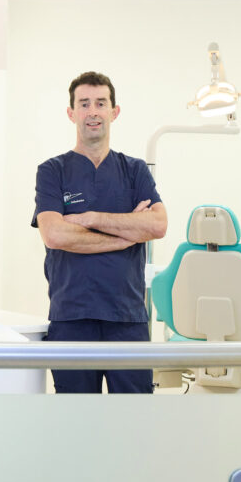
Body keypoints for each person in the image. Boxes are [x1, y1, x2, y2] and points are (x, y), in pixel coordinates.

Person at [31, 71, 167, 393]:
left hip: (128, 317)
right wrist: (128, 233)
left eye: (101, 103)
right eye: (84, 103)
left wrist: (90, 217)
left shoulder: (134, 171)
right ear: (71, 113)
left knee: (134, 422)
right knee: (77, 424)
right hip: (71, 316)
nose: (93, 111)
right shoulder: (52, 171)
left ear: (114, 112)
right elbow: (55, 236)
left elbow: (157, 225)